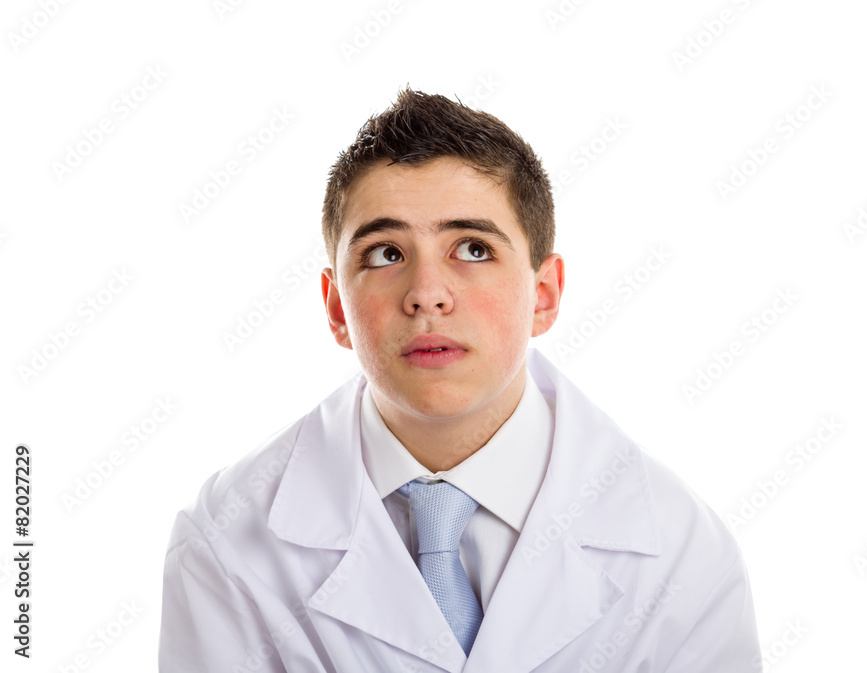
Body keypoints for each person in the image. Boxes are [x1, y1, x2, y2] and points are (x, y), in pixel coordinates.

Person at [158, 87, 763, 672]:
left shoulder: (683, 552)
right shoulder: (226, 538)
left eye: (472, 249)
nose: (426, 295)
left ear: (544, 295)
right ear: (337, 306)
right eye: (386, 253)